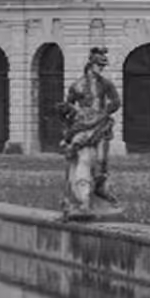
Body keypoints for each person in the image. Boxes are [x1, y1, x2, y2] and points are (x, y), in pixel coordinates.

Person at [59, 46, 122, 220]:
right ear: (91, 64)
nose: (101, 69)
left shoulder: (105, 84)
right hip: (82, 125)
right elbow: (69, 106)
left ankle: (99, 188)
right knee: (83, 160)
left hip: (101, 125)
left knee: (101, 161)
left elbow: (116, 101)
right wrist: (70, 112)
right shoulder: (77, 85)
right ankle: (83, 197)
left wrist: (105, 111)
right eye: (99, 65)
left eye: (102, 66)